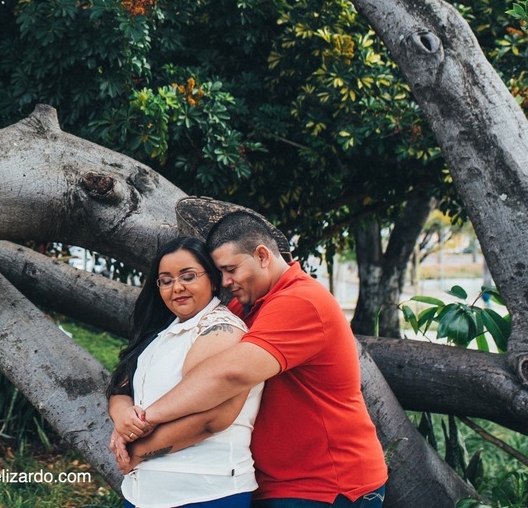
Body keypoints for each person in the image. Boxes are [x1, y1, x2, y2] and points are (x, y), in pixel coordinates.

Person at [129, 213, 388, 508]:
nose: (225, 282)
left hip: (324, 485)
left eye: (230, 269)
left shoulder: (301, 301)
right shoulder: (248, 304)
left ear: (262, 255)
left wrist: (144, 421)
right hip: (274, 481)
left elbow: (231, 374)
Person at [108, 235, 263, 508]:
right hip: (141, 492)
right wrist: (122, 419)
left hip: (203, 491)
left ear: (213, 280)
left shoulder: (220, 330)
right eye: (166, 280)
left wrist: (135, 450)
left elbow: (211, 418)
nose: (176, 287)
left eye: (188, 276)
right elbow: (123, 387)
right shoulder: (163, 332)